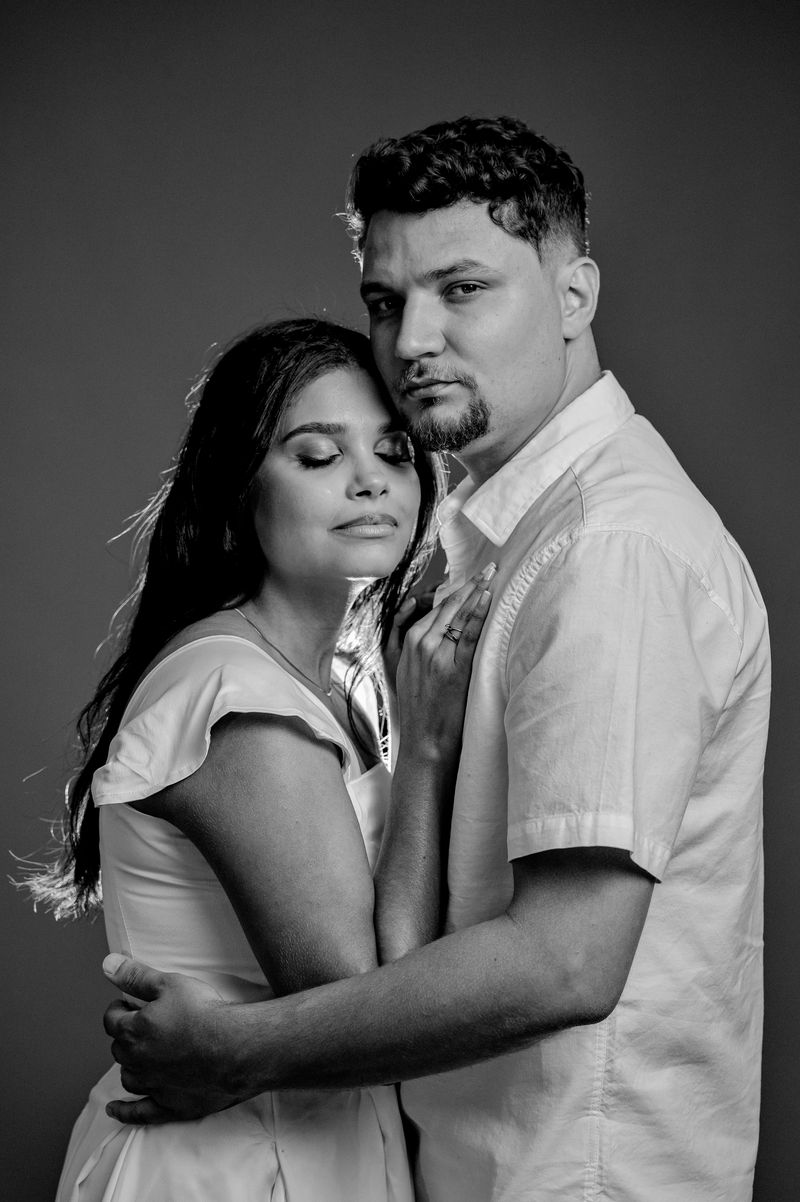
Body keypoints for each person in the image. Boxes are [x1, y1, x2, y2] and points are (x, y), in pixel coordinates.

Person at [102, 117, 770, 1201]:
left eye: (461, 289)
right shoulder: (487, 539)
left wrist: (240, 1048)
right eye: (385, 299)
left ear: (574, 296)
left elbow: (566, 959)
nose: (411, 339)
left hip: (573, 1175)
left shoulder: (609, 550)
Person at [34, 316, 493, 1201]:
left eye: (395, 451)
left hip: (325, 1153)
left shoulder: (339, 678)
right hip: (234, 1168)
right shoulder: (238, 699)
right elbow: (370, 1003)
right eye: (318, 455)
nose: (370, 480)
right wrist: (429, 752)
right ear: (241, 485)